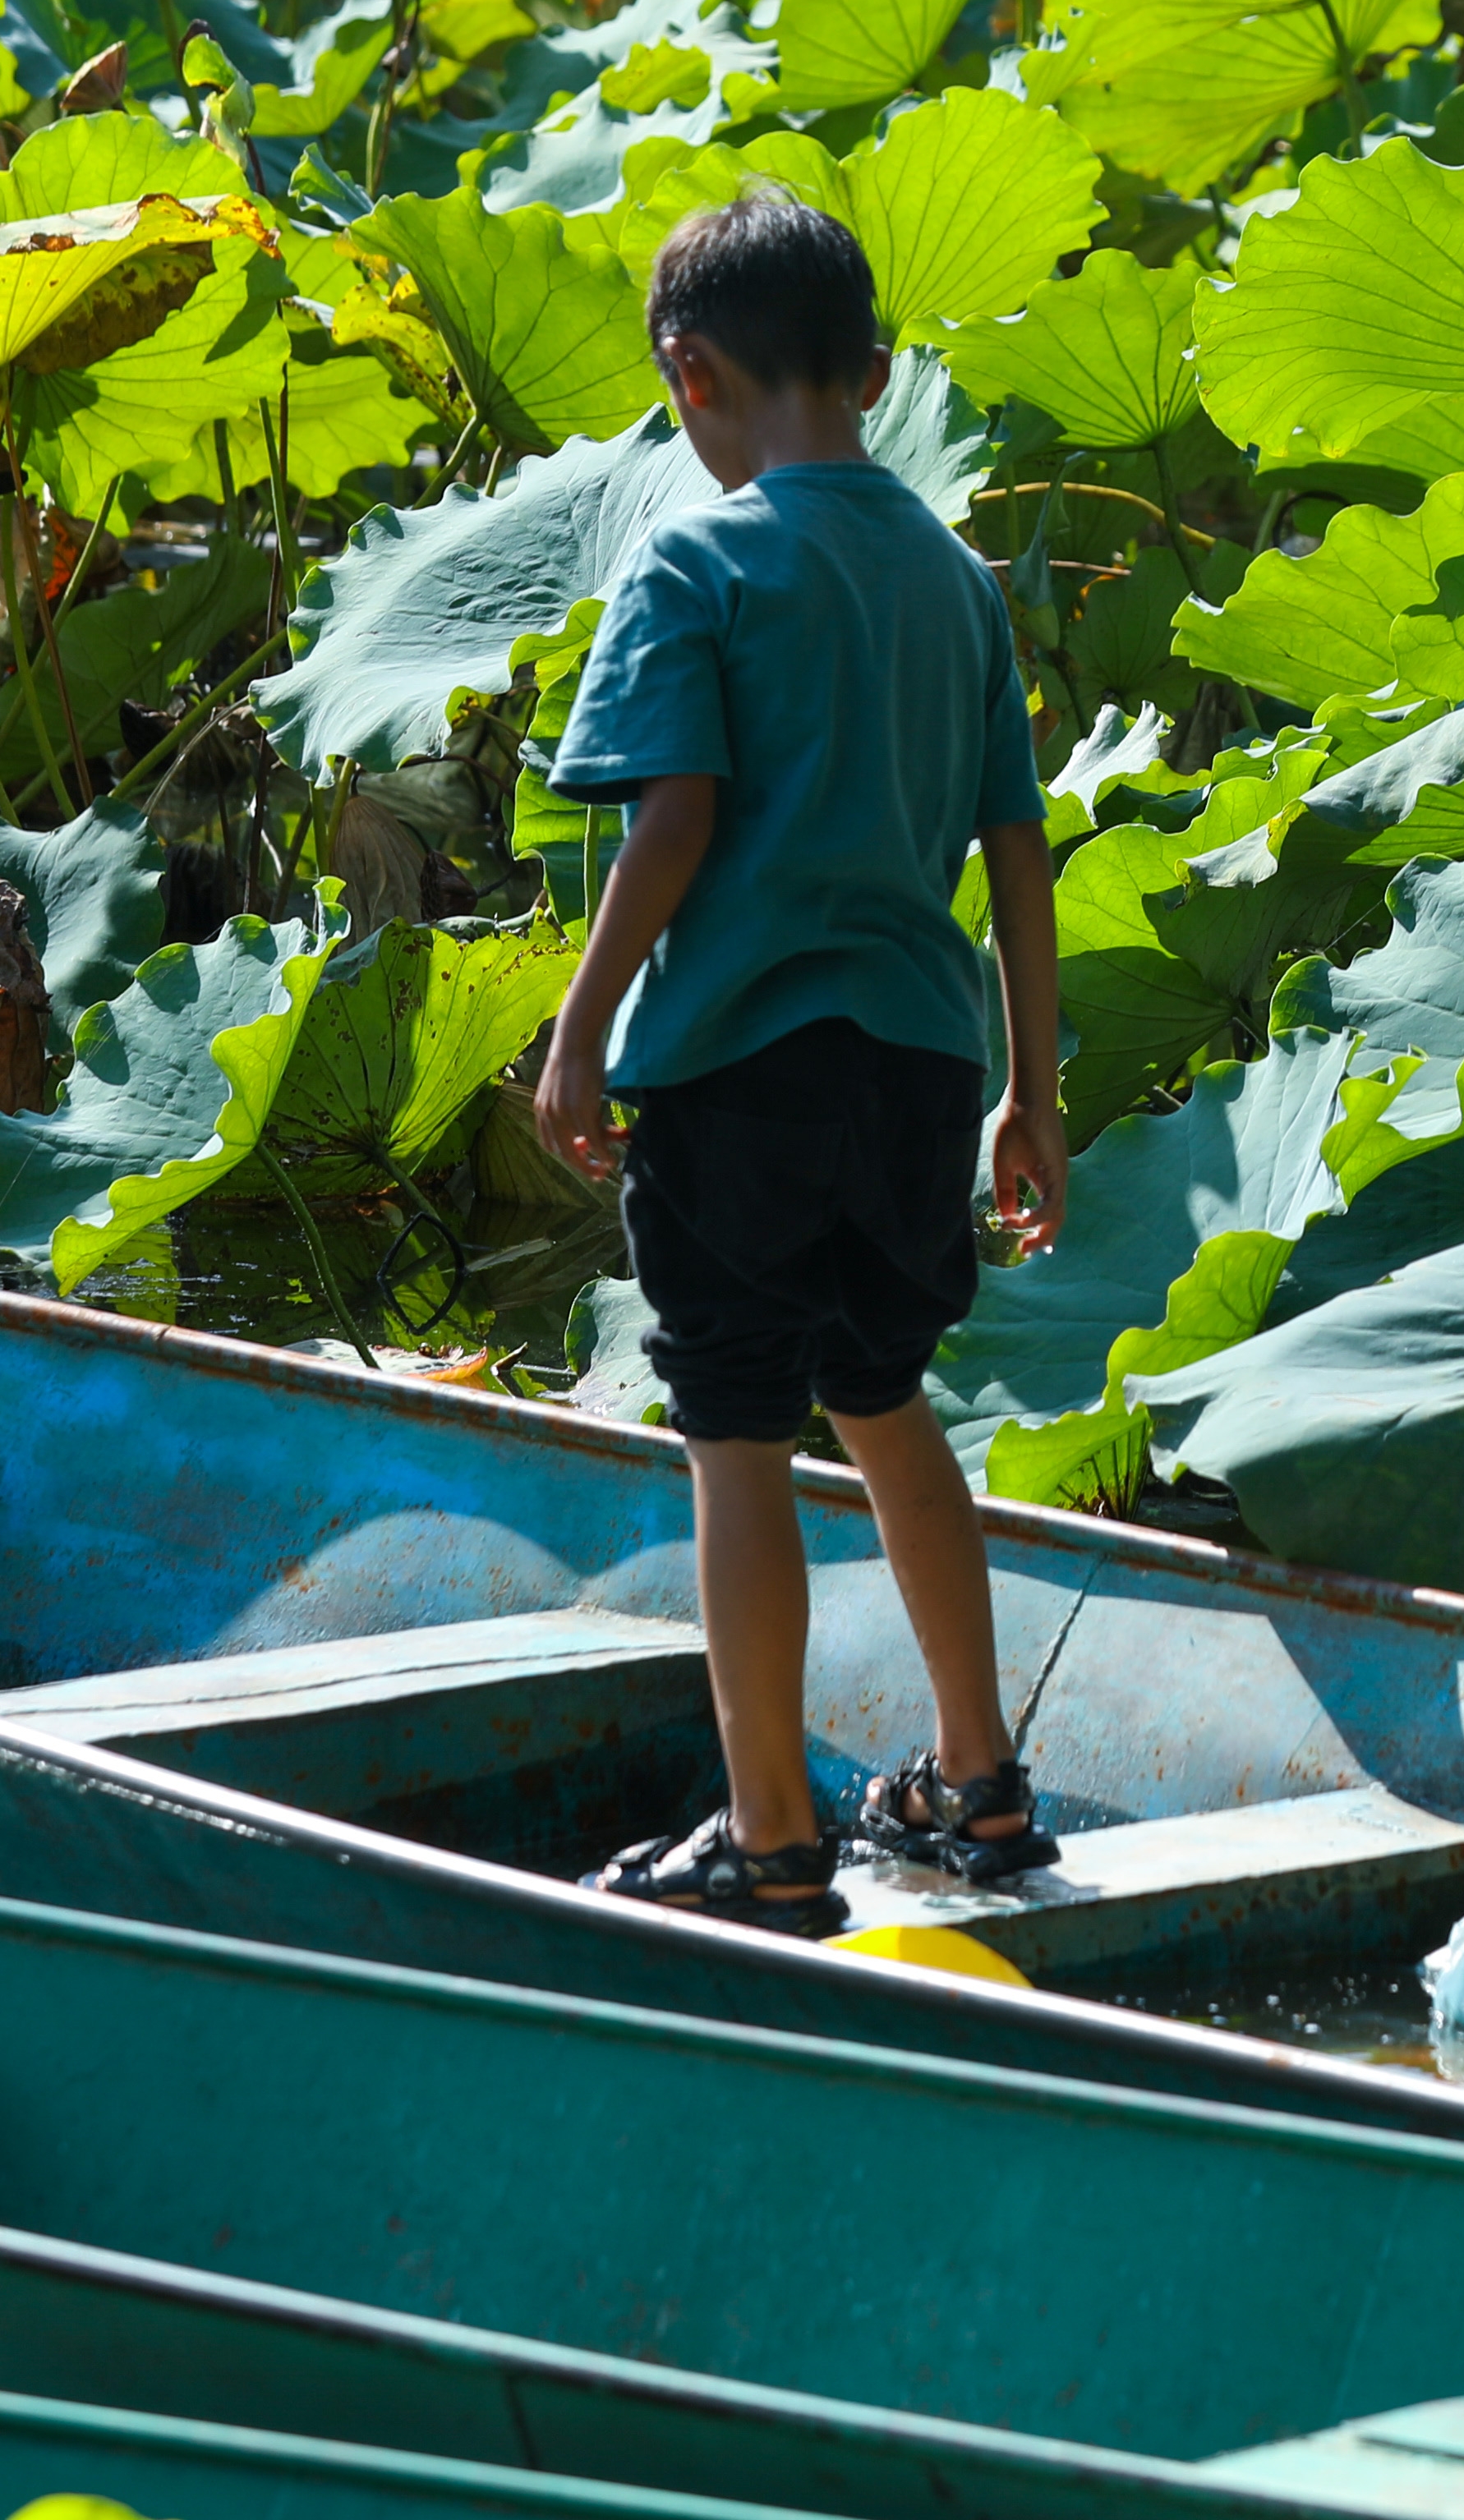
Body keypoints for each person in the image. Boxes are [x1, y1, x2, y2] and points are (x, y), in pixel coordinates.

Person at [528, 189, 1069, 1938]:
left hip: (741, 1066)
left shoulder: (696, 564)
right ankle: (980, 1776)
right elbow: (1016, 854)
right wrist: (1035, 1090)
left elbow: (674, 817)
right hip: (921, 1063)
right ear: (878, 370)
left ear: (690, 375)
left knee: (736, 1433)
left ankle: (770, 1828)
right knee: (890, 1399)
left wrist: (581, 1026)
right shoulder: (958, 579)